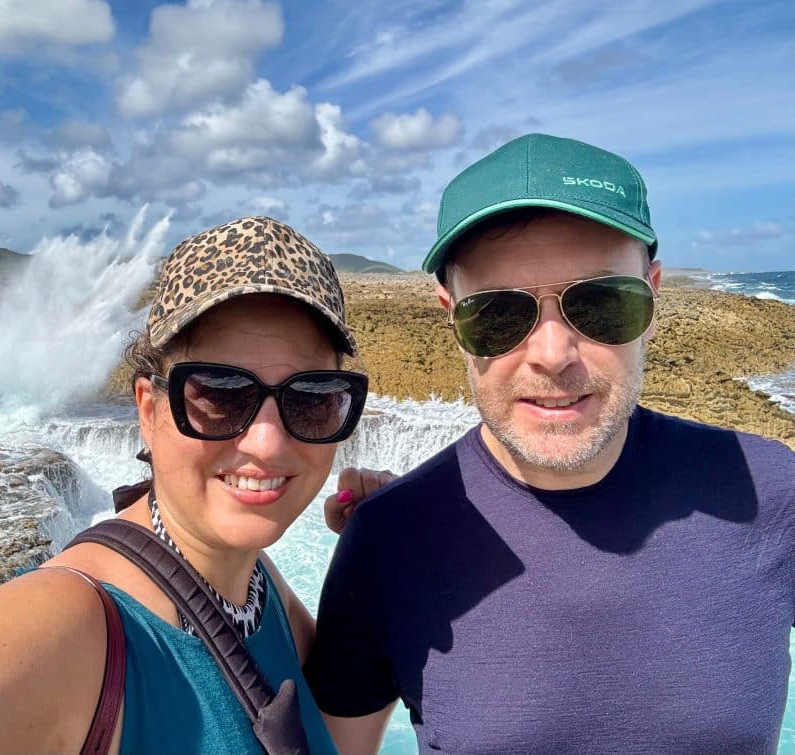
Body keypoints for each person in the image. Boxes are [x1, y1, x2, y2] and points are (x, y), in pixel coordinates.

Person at [0, 216, 373, 754]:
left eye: (313, 398)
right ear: (149, 410)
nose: (267, 443)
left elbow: (345, 716)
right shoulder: (64, 628)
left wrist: (387, 548)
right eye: (219, 393)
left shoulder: (255, 581)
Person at [305, 133, 795, 753]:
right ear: (450, 315)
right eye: (499, 315)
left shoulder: (771, 491)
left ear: (654, 292)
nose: (552, 354)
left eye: (601, 304)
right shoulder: (387, 541)